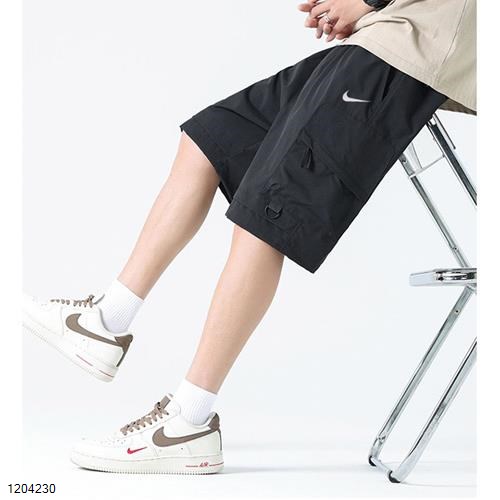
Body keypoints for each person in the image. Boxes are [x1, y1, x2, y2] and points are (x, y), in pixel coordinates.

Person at [23, 0, 476, 474]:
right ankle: (105, 321)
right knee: (212, 136)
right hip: (384, 31)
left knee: (269, 207)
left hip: (414, 46)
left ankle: (189, 422)